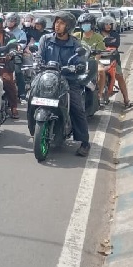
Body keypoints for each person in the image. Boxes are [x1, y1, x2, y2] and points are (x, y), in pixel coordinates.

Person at [38, 11, 90, 157]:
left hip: (68, 80)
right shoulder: (46, 39)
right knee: (31, 97)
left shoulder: (74, 44)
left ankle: (84, 142)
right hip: (46, 78)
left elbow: (81, 61)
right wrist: (37, 63)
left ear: (68, 27)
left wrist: (78, 66)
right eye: (56, 22)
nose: (57, 26)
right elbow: (39, 56)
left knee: (77, 108)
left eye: (61, 23)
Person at [98, 16, 133, 108]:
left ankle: (126, 99)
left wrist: (109, 48)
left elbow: (115, 44)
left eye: (110, 24)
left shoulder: (115, 34)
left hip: (113, 58)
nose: (109, 26)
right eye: (106, 24)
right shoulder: (97, 35)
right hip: (99, 58)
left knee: (120, 77)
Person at [0, 13, 19, 119]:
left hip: (4, 63)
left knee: (7, 81)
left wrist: (10, 54)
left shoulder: (9, 35)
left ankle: (14, 107)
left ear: (2, 22)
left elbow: (13, 46)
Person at [74, 12, 106, 102]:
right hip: (79, 61)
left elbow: (99, 53)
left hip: (92, 61)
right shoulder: (76, 36)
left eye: (87, 24)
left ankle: (99, 94)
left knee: (101, 71)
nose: (85, 26)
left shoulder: (98, 37)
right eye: (83, 24)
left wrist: (95, 62)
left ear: (92, 25)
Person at [5, 12, 28, 100]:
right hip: (3, 55)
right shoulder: (3, 32)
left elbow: (22, 44)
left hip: (16, 55)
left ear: (16, 21)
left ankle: (22, 94)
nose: (10, 22)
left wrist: (18, 47)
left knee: (18, 72)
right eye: (8, 20)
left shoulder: (21, 33)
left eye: (12, 20)